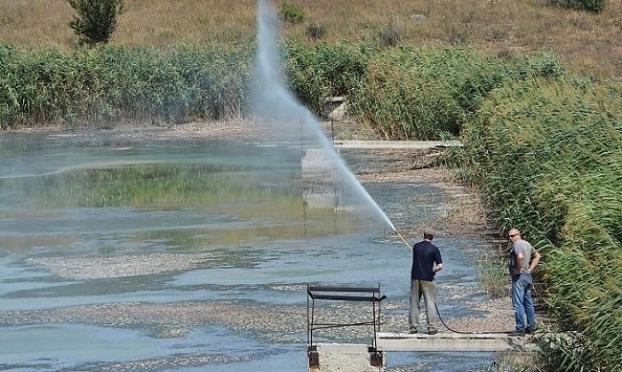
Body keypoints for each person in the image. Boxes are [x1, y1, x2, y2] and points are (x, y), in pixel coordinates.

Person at [508, 228, 541, 336]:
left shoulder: (517, 244)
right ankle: (531, 327)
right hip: (527, 276)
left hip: (519, 277)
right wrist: (530, 269)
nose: (511, 238)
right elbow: (537, 256)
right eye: (509, 236)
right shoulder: (527, 243)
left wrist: (519, 268)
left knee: (518, 304)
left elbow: (520, 256)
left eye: (513, 236)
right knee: (528, 303)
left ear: (518, 234)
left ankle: (520, 329)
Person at [409, 231, 443, 334]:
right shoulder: (434, 249)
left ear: (423, 236)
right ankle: (431, 328)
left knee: (414, 303)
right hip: (428, 279)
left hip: (415, 278)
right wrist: (433, 271)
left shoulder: (416, 247)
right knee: (430, 303)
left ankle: (413, 328)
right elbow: (440, 266)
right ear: (432, 237)